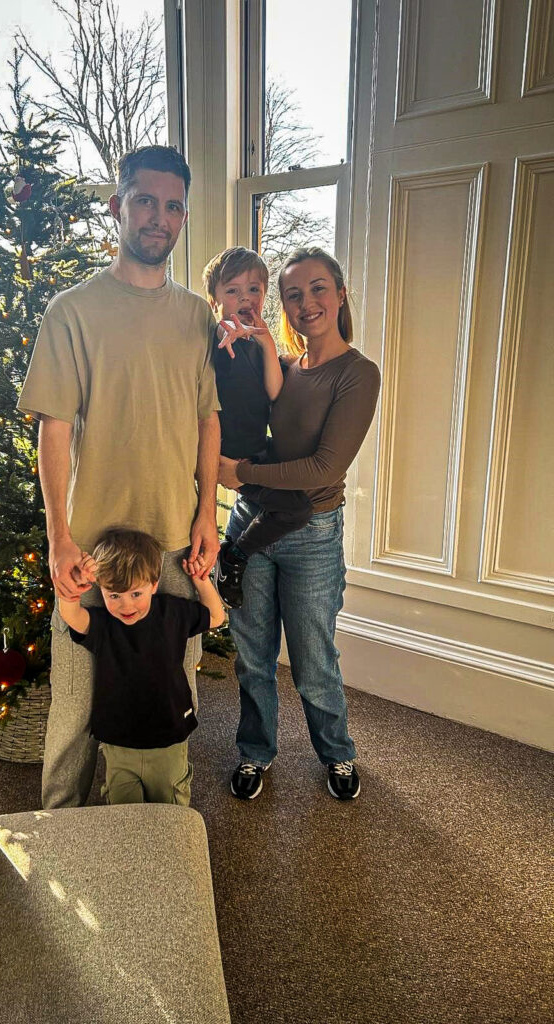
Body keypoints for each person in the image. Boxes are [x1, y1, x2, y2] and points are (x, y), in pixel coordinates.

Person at [18, 145, 221, 809]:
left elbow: (207, 423)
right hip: (94, 548)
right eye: (144, 200)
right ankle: (59, 839)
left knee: (170, 697)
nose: (157, 216)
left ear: (182, 216)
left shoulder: (197, 316)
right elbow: (52, 428)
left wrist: (204, 517)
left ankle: (163, 836)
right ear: (118, 206)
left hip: (174, 549)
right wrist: (58, 538)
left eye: (171, 205)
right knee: (77, 711)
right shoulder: (71, 311)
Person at [218, 247, 381, 802]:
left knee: (313, 661)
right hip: (249, 524)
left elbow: (324, 468)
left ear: (338, 293)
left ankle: (337, 754)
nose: (306, 302)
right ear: (282, 305)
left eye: (317, 289)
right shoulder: (283, 368)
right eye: (293, 294)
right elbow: (238, 410)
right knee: (252, 655)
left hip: (311, 534)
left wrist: (239, 471)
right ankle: (254, 753)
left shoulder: (358, 374)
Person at [57, 528, 225, 805]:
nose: (126, 605)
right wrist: (73, 587)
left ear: (154, 584)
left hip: (169, 736)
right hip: (119, 741)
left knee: (170, 808)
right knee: (124, 817)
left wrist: (200, 581)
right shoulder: (104, 624)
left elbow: (216, 617)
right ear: (101, 589)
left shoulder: (172, 612)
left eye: (136, 593)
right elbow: (72, 616)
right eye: (114, 596)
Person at [202, 246, 313, 608]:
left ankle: (236, 548)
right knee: (296, 509)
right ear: (215, 299)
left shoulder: (253, 342)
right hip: (230, 452)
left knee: (297, 478)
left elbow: (274, 391)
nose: (245, 298)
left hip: (256, 445)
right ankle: (232, 554)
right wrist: (223, 333)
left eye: (253, 289)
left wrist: (264, 338)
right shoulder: (217, 342)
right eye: (232, 291)